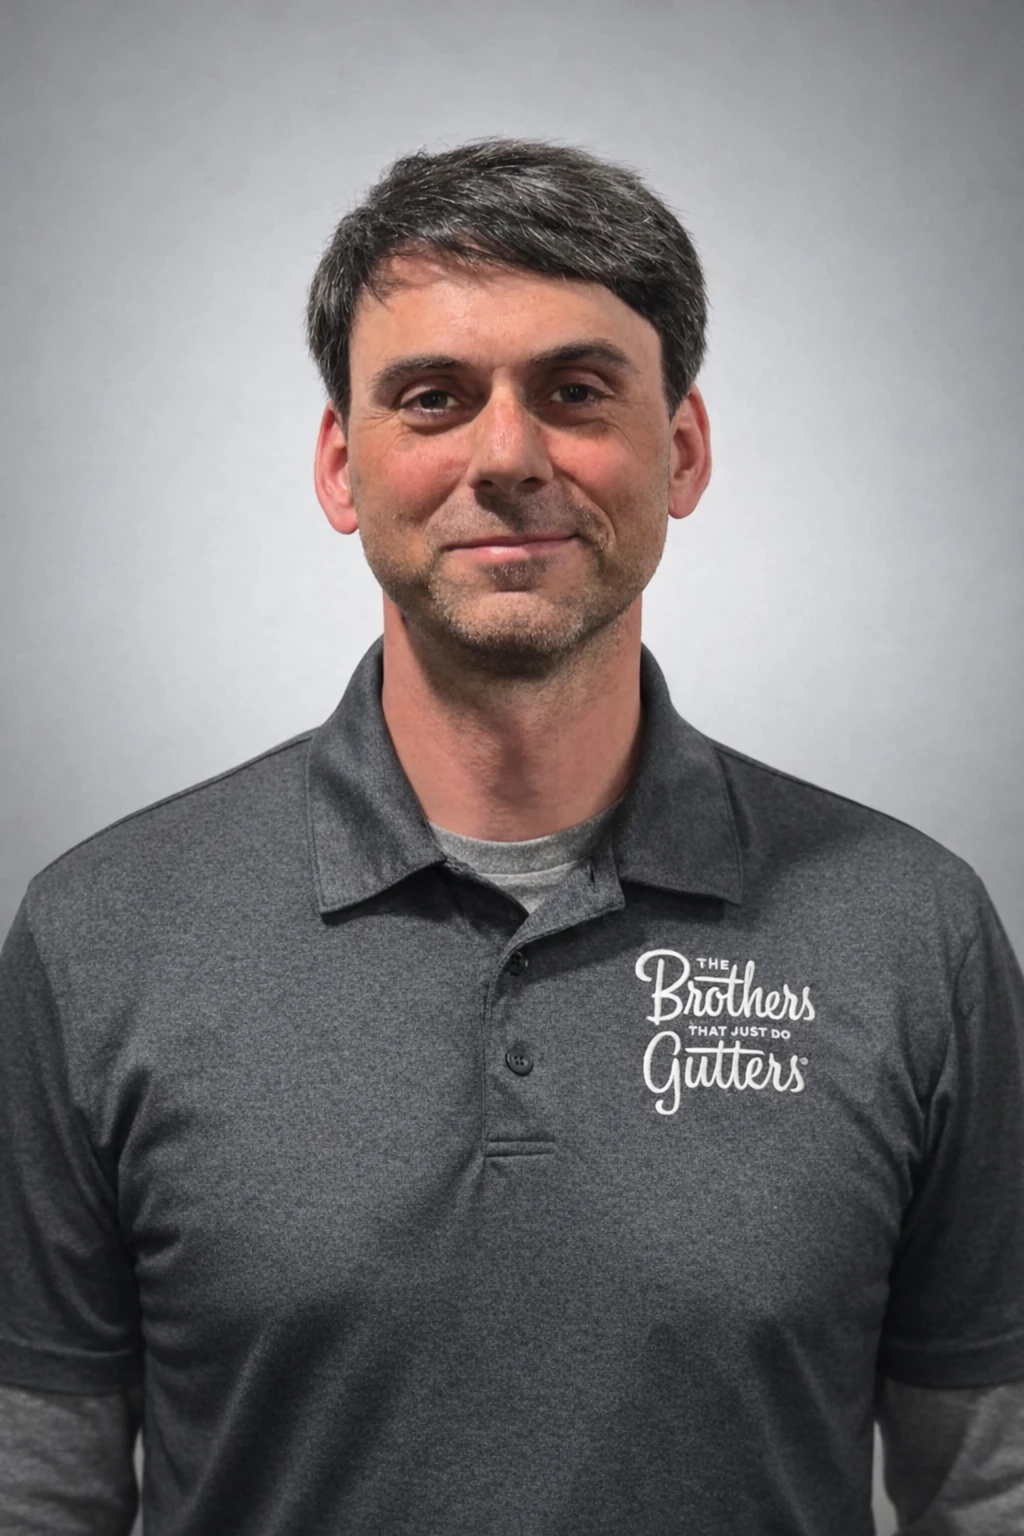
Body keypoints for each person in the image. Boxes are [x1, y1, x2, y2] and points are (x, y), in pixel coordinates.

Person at [1, 138, 1022, 1536]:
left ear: (683, 449)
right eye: (433, 398)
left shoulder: (912, 932)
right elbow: (34, 1495)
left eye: (575, 392)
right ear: (341, 466)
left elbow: (993, 1491)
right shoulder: (101, 936)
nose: (506, 457)